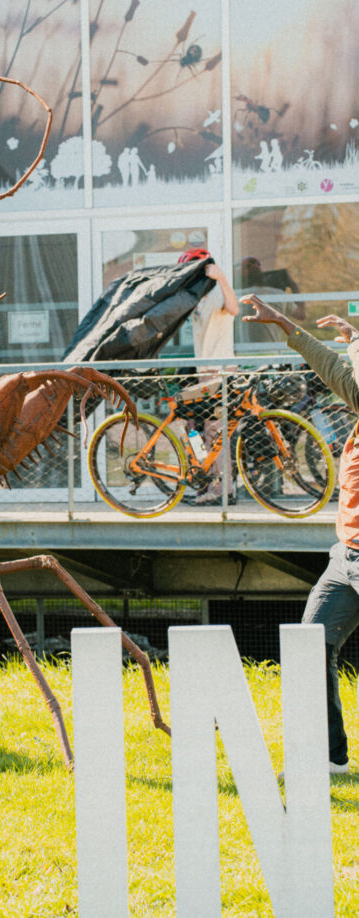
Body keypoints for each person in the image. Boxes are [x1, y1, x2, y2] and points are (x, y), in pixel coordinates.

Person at [242, 294, 359, 775]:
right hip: (348, 554)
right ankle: (326, 758)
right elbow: (338, 368)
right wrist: (285, 324)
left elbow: (340, 372)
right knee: (310, 645)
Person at [177, 248, 240, 504]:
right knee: (191, 426)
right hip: (203, 372)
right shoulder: (196, 298)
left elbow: (234, 309)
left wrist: (222, 279)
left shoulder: (215, 294)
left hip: (220, 370)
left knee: (216, 430)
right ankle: (207, 480)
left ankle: (221, 488)